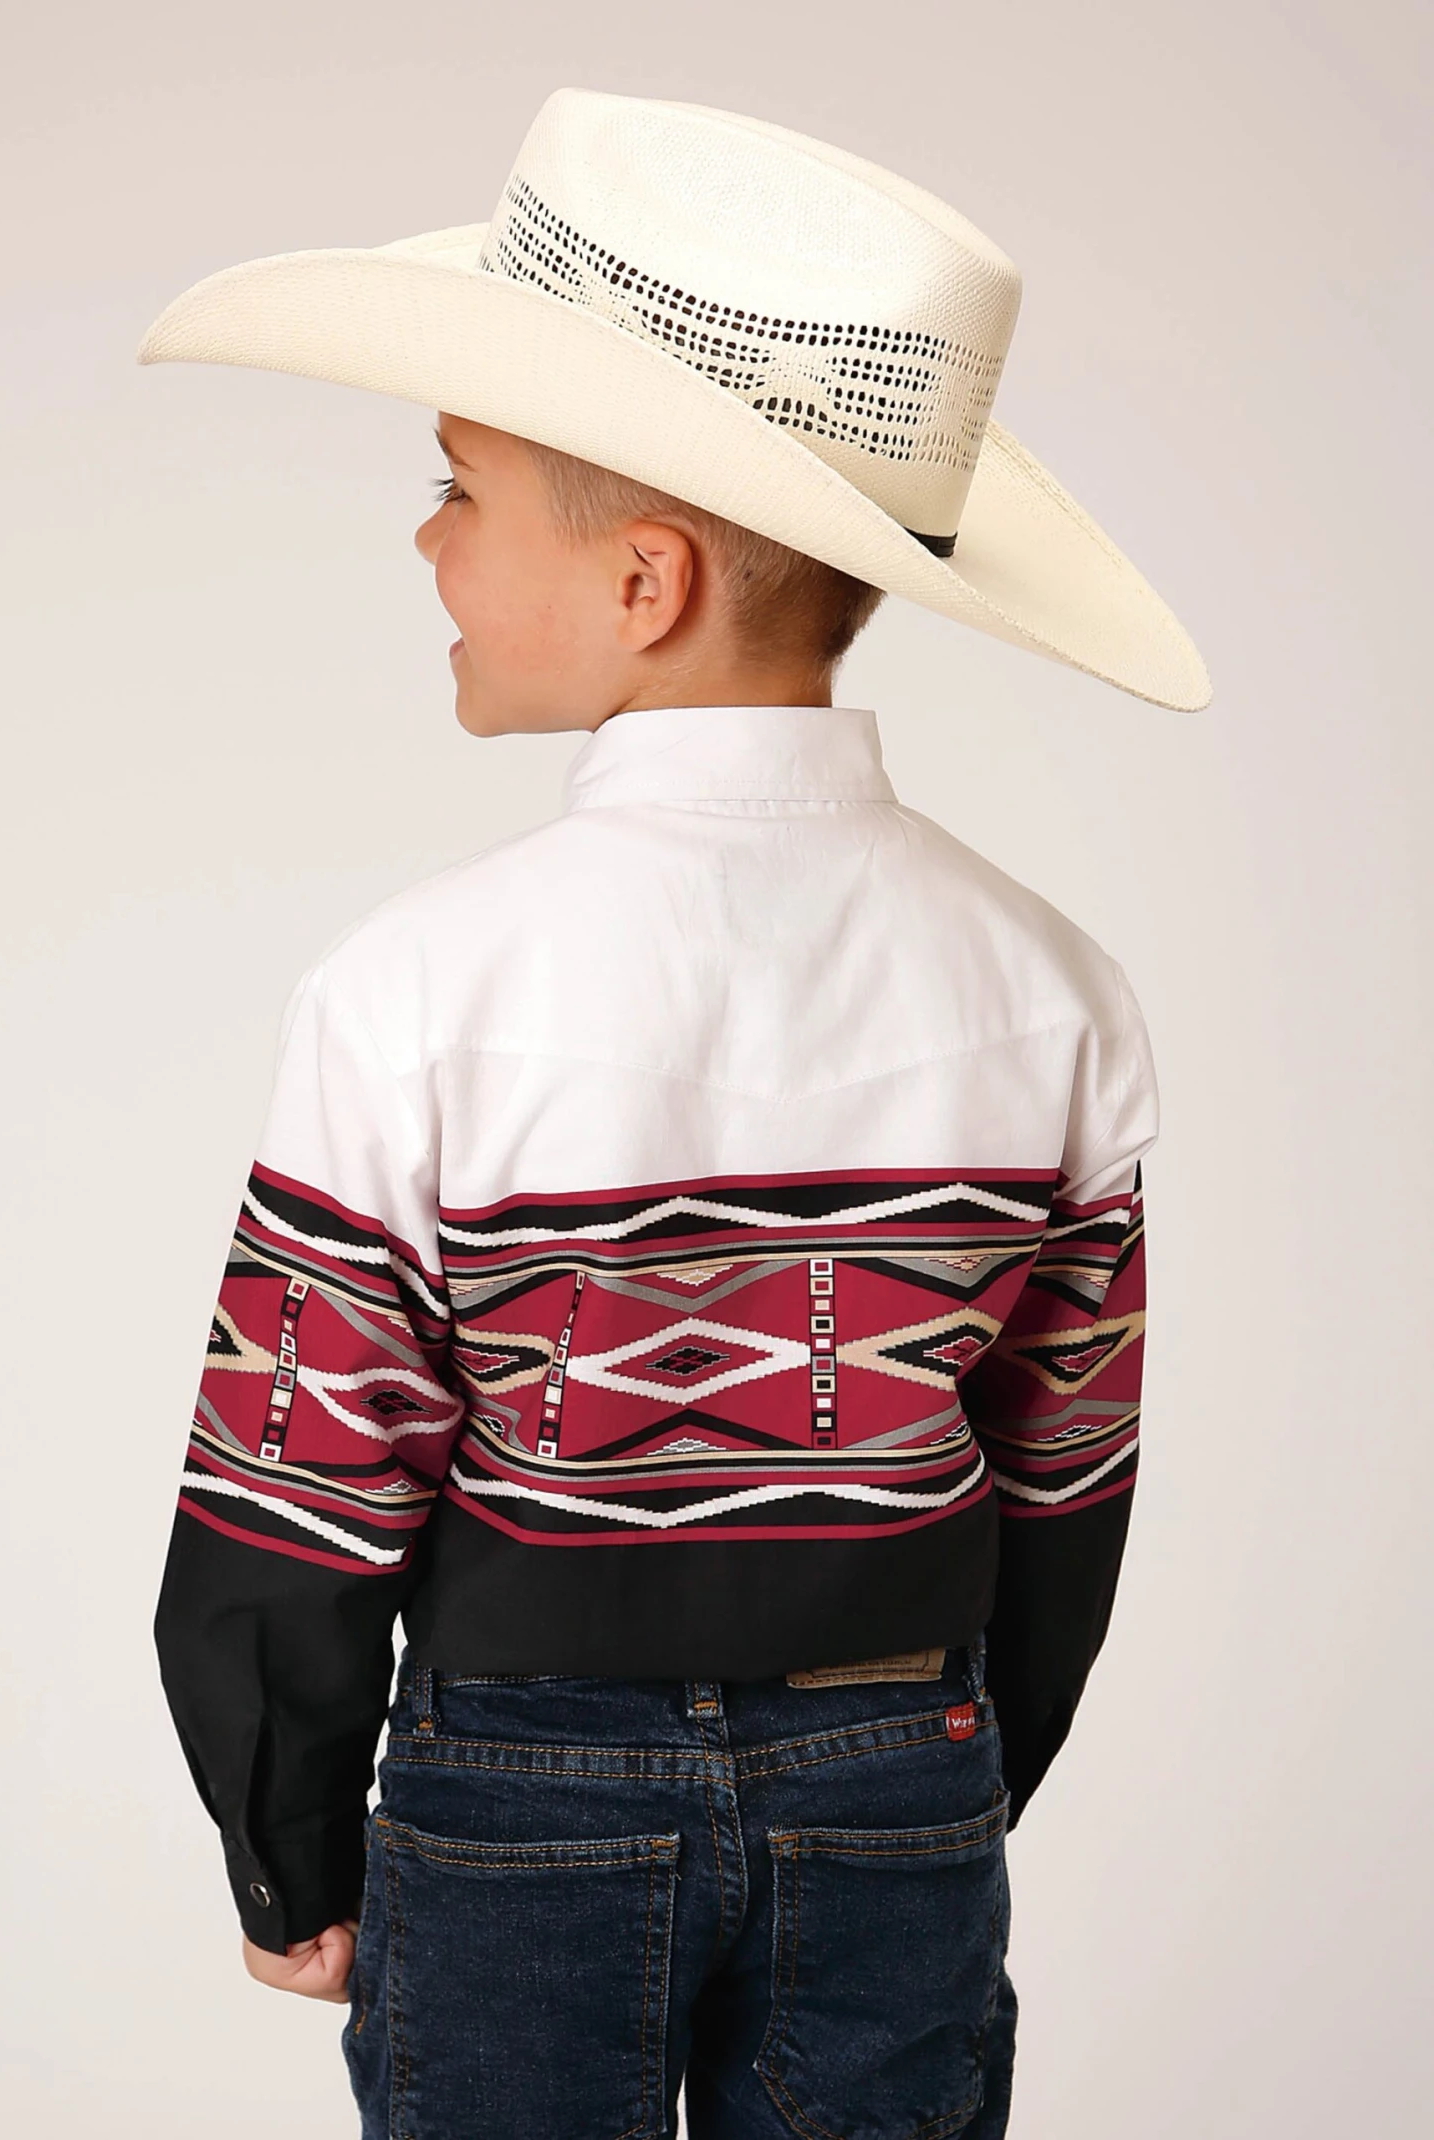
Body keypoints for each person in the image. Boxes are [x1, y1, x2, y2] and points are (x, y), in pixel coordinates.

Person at [138, 87, 1207, 2139]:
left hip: (521, 1797)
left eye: (456, 487)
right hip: (900, 1770)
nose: (425, 540)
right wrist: (957, 1764)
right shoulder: (1053, 988)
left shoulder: (419, 989)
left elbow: (299, 1477)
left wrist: (286, 1837)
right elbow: (1066, 1475)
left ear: (647, 579)